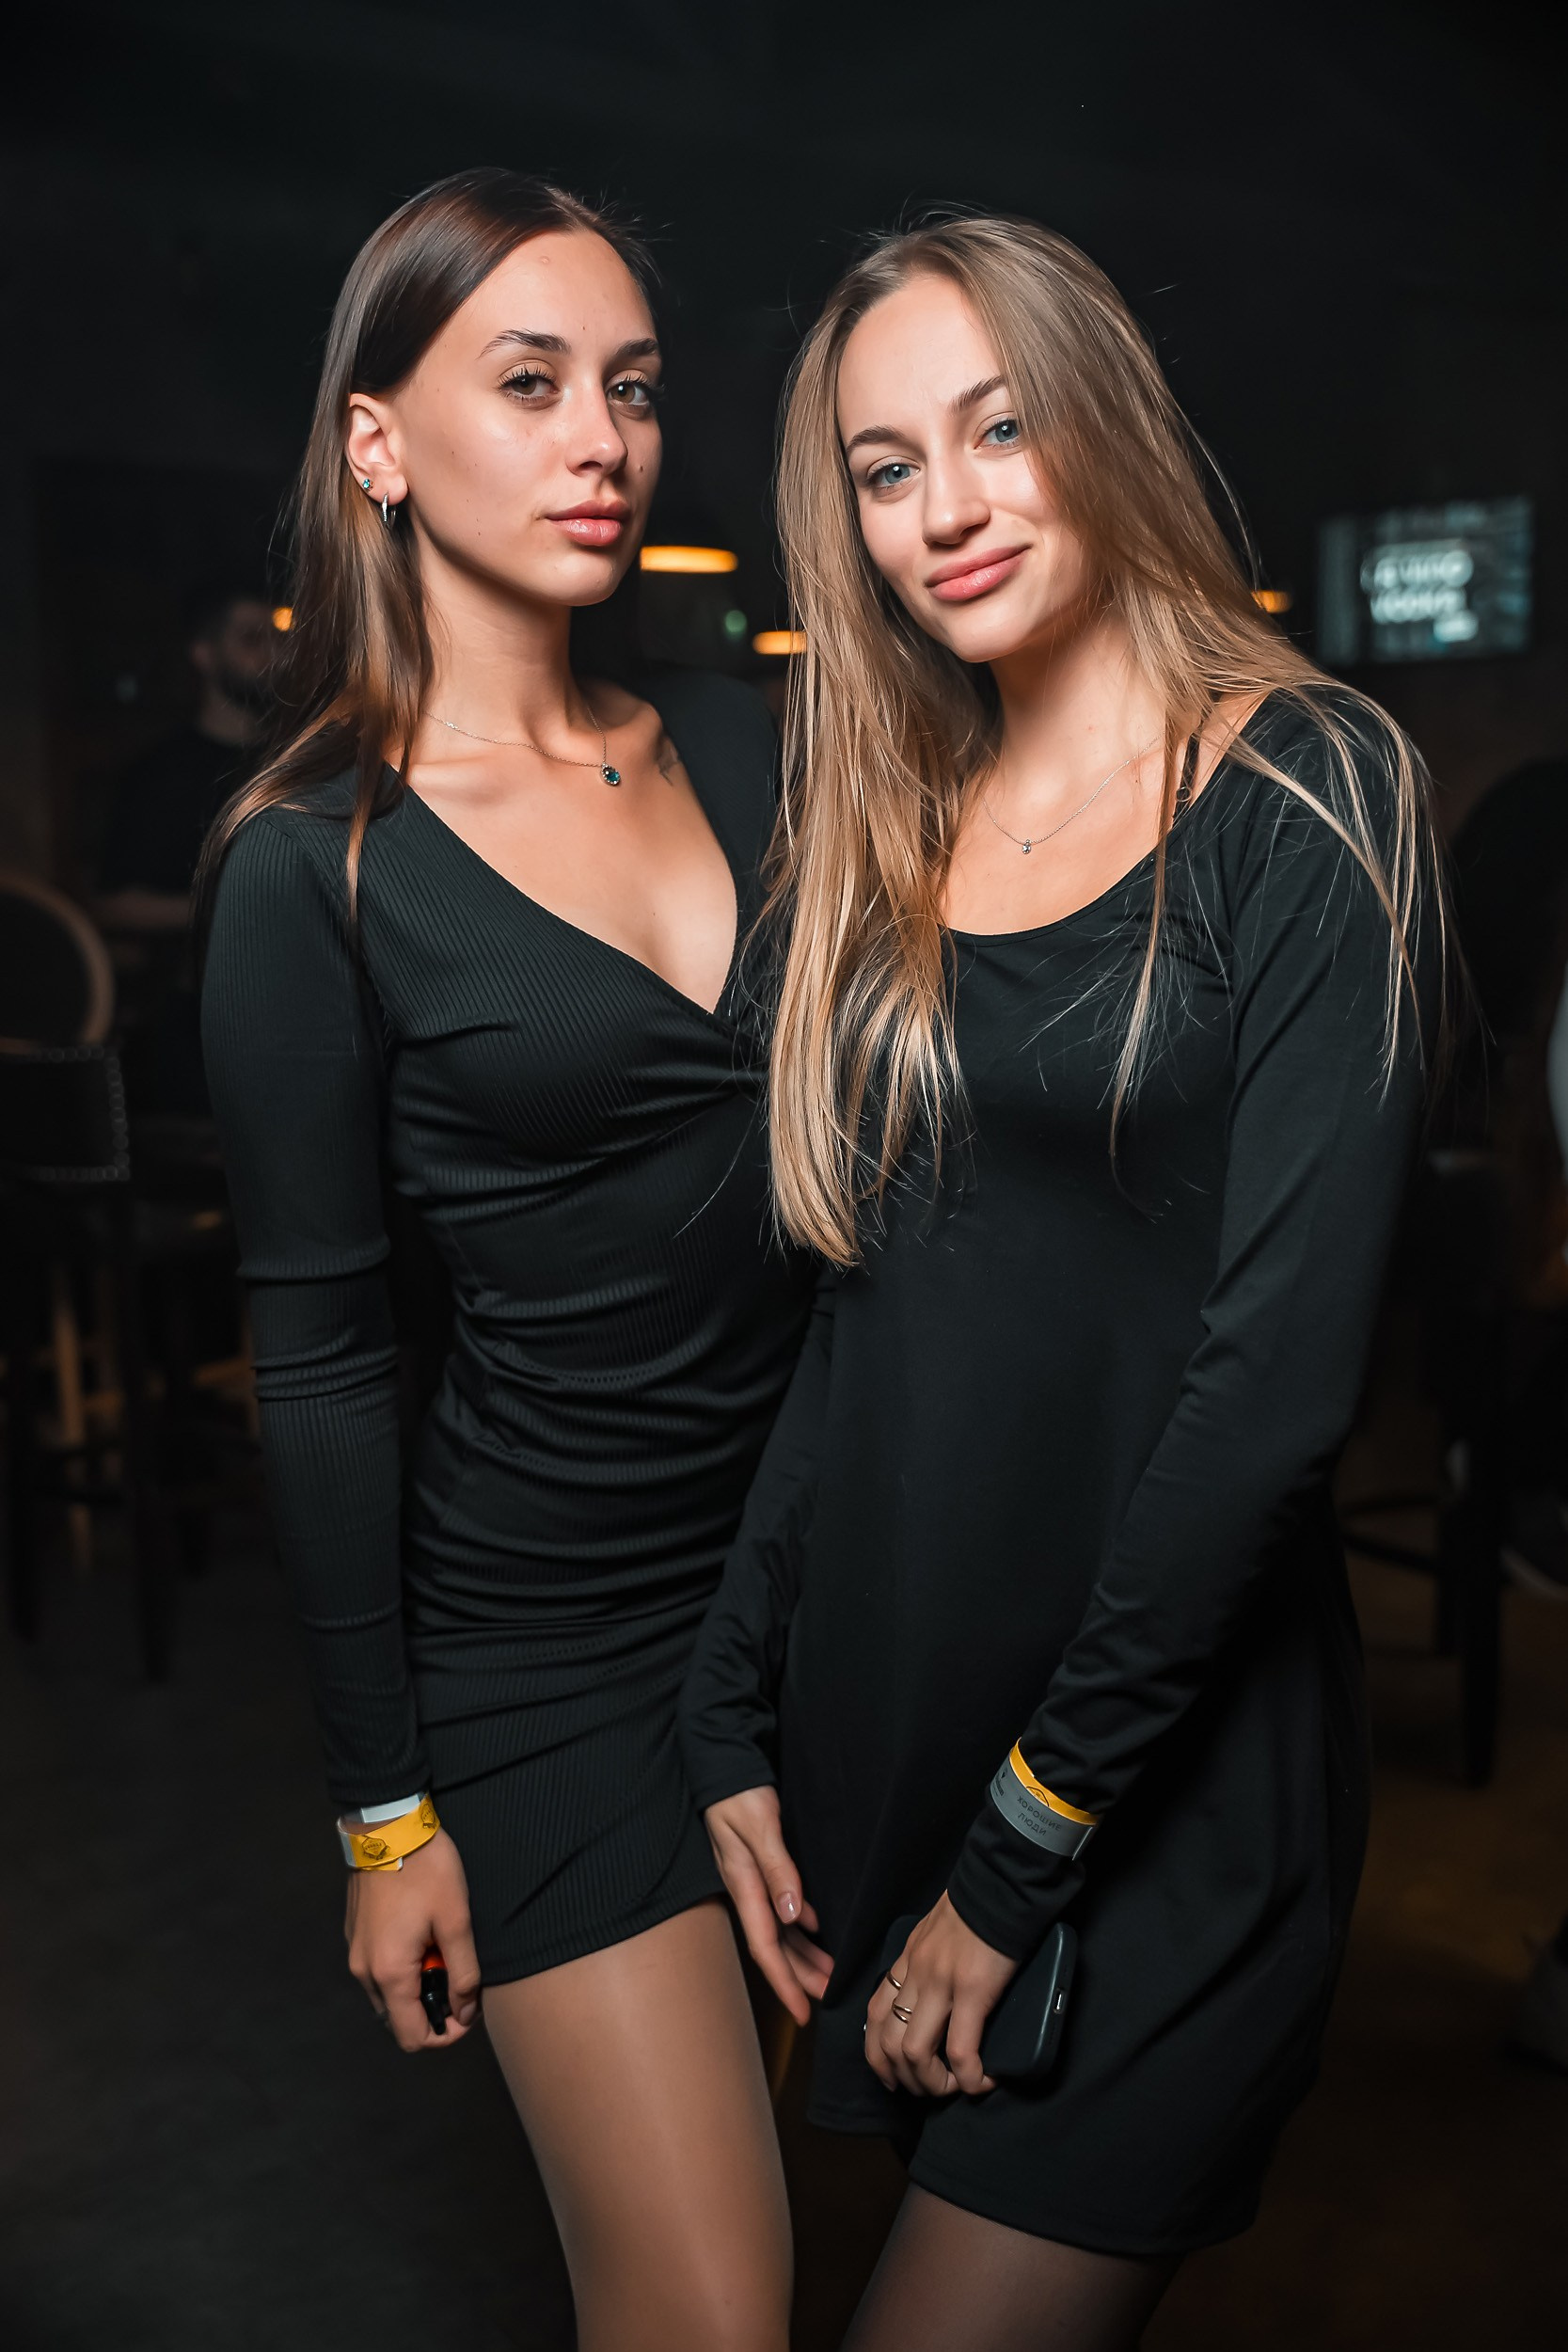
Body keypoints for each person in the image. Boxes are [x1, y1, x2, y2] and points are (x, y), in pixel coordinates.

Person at [682, 215, 1445, 2351]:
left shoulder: (1311, 792)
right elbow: (868, 1325)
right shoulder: (893, 822)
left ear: (1100, 419)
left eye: (998, 428)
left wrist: (1020, 1855)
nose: (947, 506)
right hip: (903, 1740)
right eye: (886, 464)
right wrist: (726, 1695)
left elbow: (1269, 1401)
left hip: (1143, 1801)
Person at [199, 170, 812, 2352]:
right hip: (555, 1650)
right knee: (711, 2306)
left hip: (817, 1594)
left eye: (628, 388)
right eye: (529, 382)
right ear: (376, 442)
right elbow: (323, 1365)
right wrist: (385, 1814)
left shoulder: (750, 737)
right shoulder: (313, 863)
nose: (600, 441)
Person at [97, 584, 281, 1110]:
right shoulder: (160, 775)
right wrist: (228, 905)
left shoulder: (299, 761)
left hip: (304, 1007)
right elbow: (114, 904)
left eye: (278, 635)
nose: (273, 652)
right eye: (251, 638)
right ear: (204, 654)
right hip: (202, 1017)